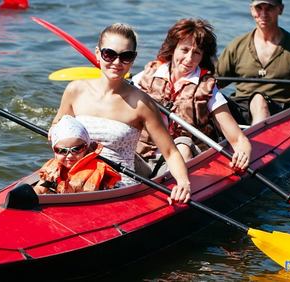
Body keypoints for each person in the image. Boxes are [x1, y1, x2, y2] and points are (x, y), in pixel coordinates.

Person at [51, 23, 192, 204]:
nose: (117, 63)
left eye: (125, 56)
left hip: (118, 189)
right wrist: (56, 133)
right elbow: (57, 126)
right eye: (109, 54)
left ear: (133, 59)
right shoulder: (75, 90)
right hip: (73, 179)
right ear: (97, 53)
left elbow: (170, 152)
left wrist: (183, 183)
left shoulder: (142, 103)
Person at [131, 18, 251, 171]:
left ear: (202, 57)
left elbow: (238, 138)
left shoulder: (207, 88)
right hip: (144, 154)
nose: (189, 59)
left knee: (183, 146)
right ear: (173, 48)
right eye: (185, 50)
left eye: (196, 53)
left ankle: (178, 189)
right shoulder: (145, 77)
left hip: (184, 158)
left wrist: (243, 153)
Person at [216, 0, 290, 125]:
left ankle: (256, 140)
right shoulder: (237, 46)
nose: (263, 14)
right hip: (240, 108)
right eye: (259, 8)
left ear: (281, 9)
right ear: (252, 10)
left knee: (259, 100)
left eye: (269, 8)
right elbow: (215, 82)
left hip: (280, 111)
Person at [34, 115, 121, 194]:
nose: (70, 155)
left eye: (76, 149)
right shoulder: (53, 168)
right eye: (62, 151)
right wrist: (34, 193)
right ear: (54, 150)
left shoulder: (97, 168)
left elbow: (94, 196)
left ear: (86, 147)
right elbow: (40, 188)